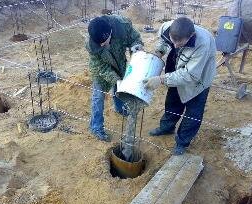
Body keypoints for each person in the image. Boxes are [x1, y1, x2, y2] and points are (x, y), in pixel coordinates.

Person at [143, 17, 216, 155]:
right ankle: (166, 127)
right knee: (172, 103)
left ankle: (182, 142)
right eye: (173, 40)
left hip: (198, 80)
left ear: (191, 36)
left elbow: (190, 75)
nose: (175, 45)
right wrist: (159, 52)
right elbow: (163, 40)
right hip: (176, 72)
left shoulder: (203, 43)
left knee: (193, 113)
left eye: (180, 42)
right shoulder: (168, 27)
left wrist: (161, 79)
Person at [86, 15, 143, 142]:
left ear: (110, 32)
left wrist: (136, 47)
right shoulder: (91, 44)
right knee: (98, 96)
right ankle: (96, 127)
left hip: (120, 64)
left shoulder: (122, 26)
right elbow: (100, 67)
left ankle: (119, 108)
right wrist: (117, 80)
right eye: (99, 43)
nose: (101, 45)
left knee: (119, 89)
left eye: (103, 42)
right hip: (101, 70)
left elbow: (135, 38)